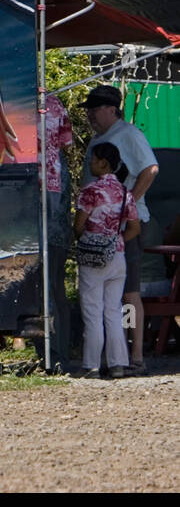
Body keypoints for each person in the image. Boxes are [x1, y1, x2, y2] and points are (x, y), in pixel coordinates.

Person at [80, 85, 159, 374]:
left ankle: (135, 355)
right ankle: (114, 356)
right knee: (107, 296)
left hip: (128, 226)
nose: (89, 114)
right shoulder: (98, 139)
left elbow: (150, 169)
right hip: (99, 233)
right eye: (88, 109)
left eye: (94, 108)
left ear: (111, 109)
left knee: (128, 291)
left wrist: (126, 205)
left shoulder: (129, 134)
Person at [74, 142, 139, 378]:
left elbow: (79, 226)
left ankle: (91, 364)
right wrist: (115, 240)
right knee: (113, 310)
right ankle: (118, 363)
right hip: (117, 254)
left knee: (92, 311)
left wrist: (91, 240)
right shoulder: (124, 192)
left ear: (103, 163)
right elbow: (134, 228)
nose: (90, 162)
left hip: (93, 258)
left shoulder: (90, 191)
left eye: (93, 159)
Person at [42, 94, 75, 370]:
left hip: (26, 188)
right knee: (55, 284)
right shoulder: (54, 103)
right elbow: (66, 143)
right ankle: (58, 353)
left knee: (43, 286)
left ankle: (51, 353)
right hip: (56, 194)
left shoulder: (14, 98)